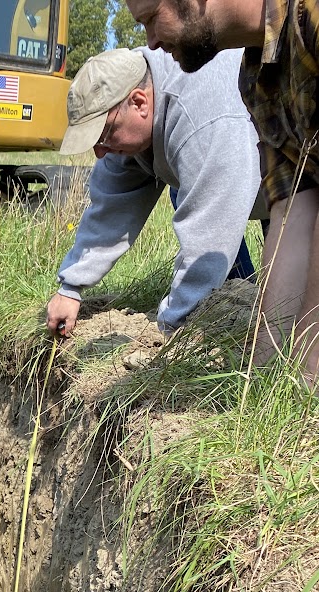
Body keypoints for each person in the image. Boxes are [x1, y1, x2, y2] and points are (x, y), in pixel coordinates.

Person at [125, 0, 319, 380]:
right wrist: (264, 384)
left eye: (151, 18)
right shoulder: (258, 77)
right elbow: (293, 209)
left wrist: (310, 372)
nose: (149, 42)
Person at [46, 47, 262, 340]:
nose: (99, 152)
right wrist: (70, 288)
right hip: (239, 168)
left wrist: (172, 325)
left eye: (104, 134)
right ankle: (237, 305)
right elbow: (110, 208)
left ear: (139, 102)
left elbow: (211, 231)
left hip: (298, 173)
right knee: (182, 187)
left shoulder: (200, 118)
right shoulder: (130, 110)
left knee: (293, 300)